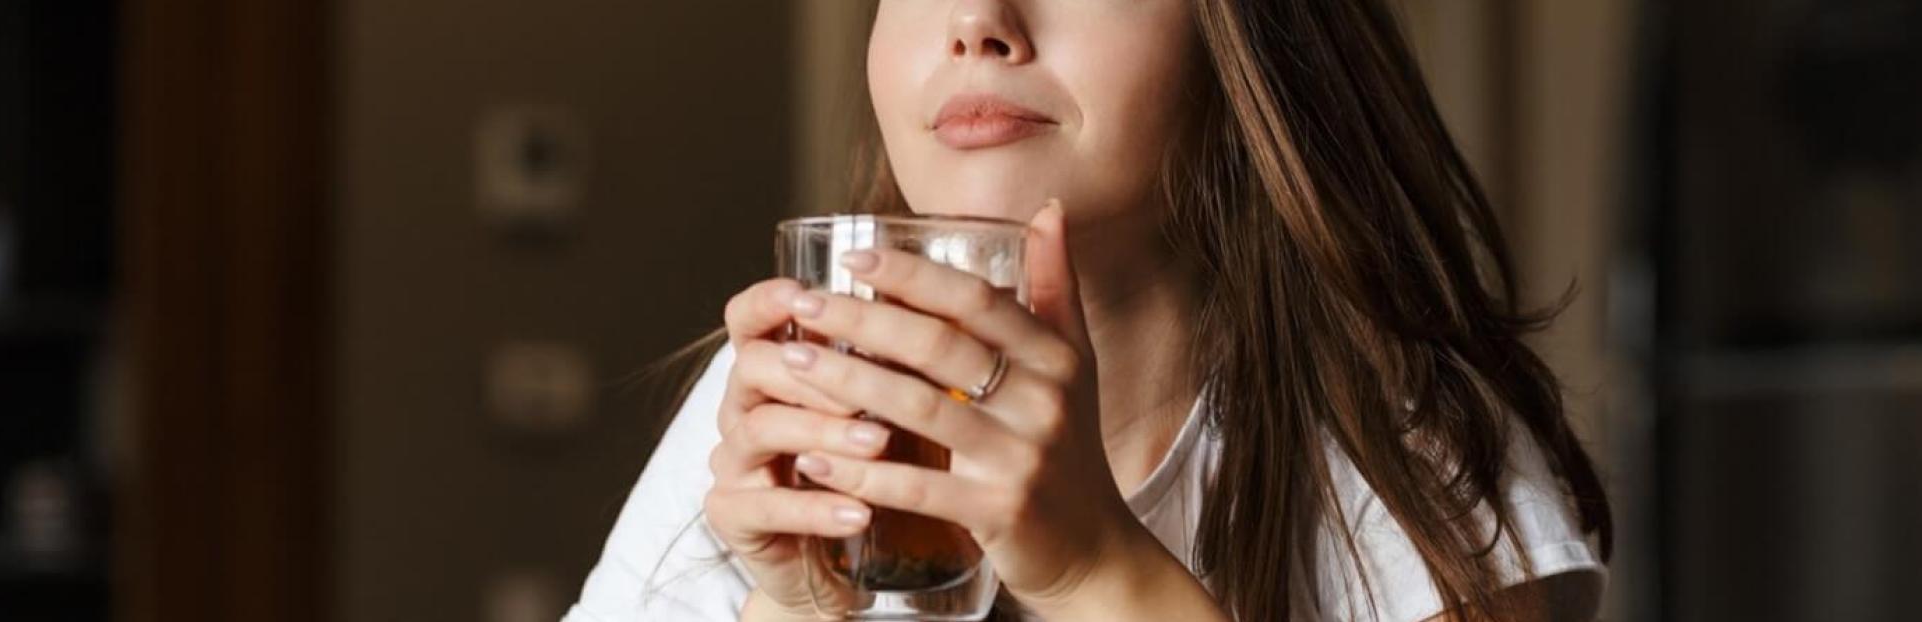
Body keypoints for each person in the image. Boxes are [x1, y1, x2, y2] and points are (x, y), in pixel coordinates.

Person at [567, 0, 1612, 620]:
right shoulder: (807, 386)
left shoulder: (1405, 457)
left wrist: (1094, 569)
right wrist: (794, 607)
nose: (977, 20)